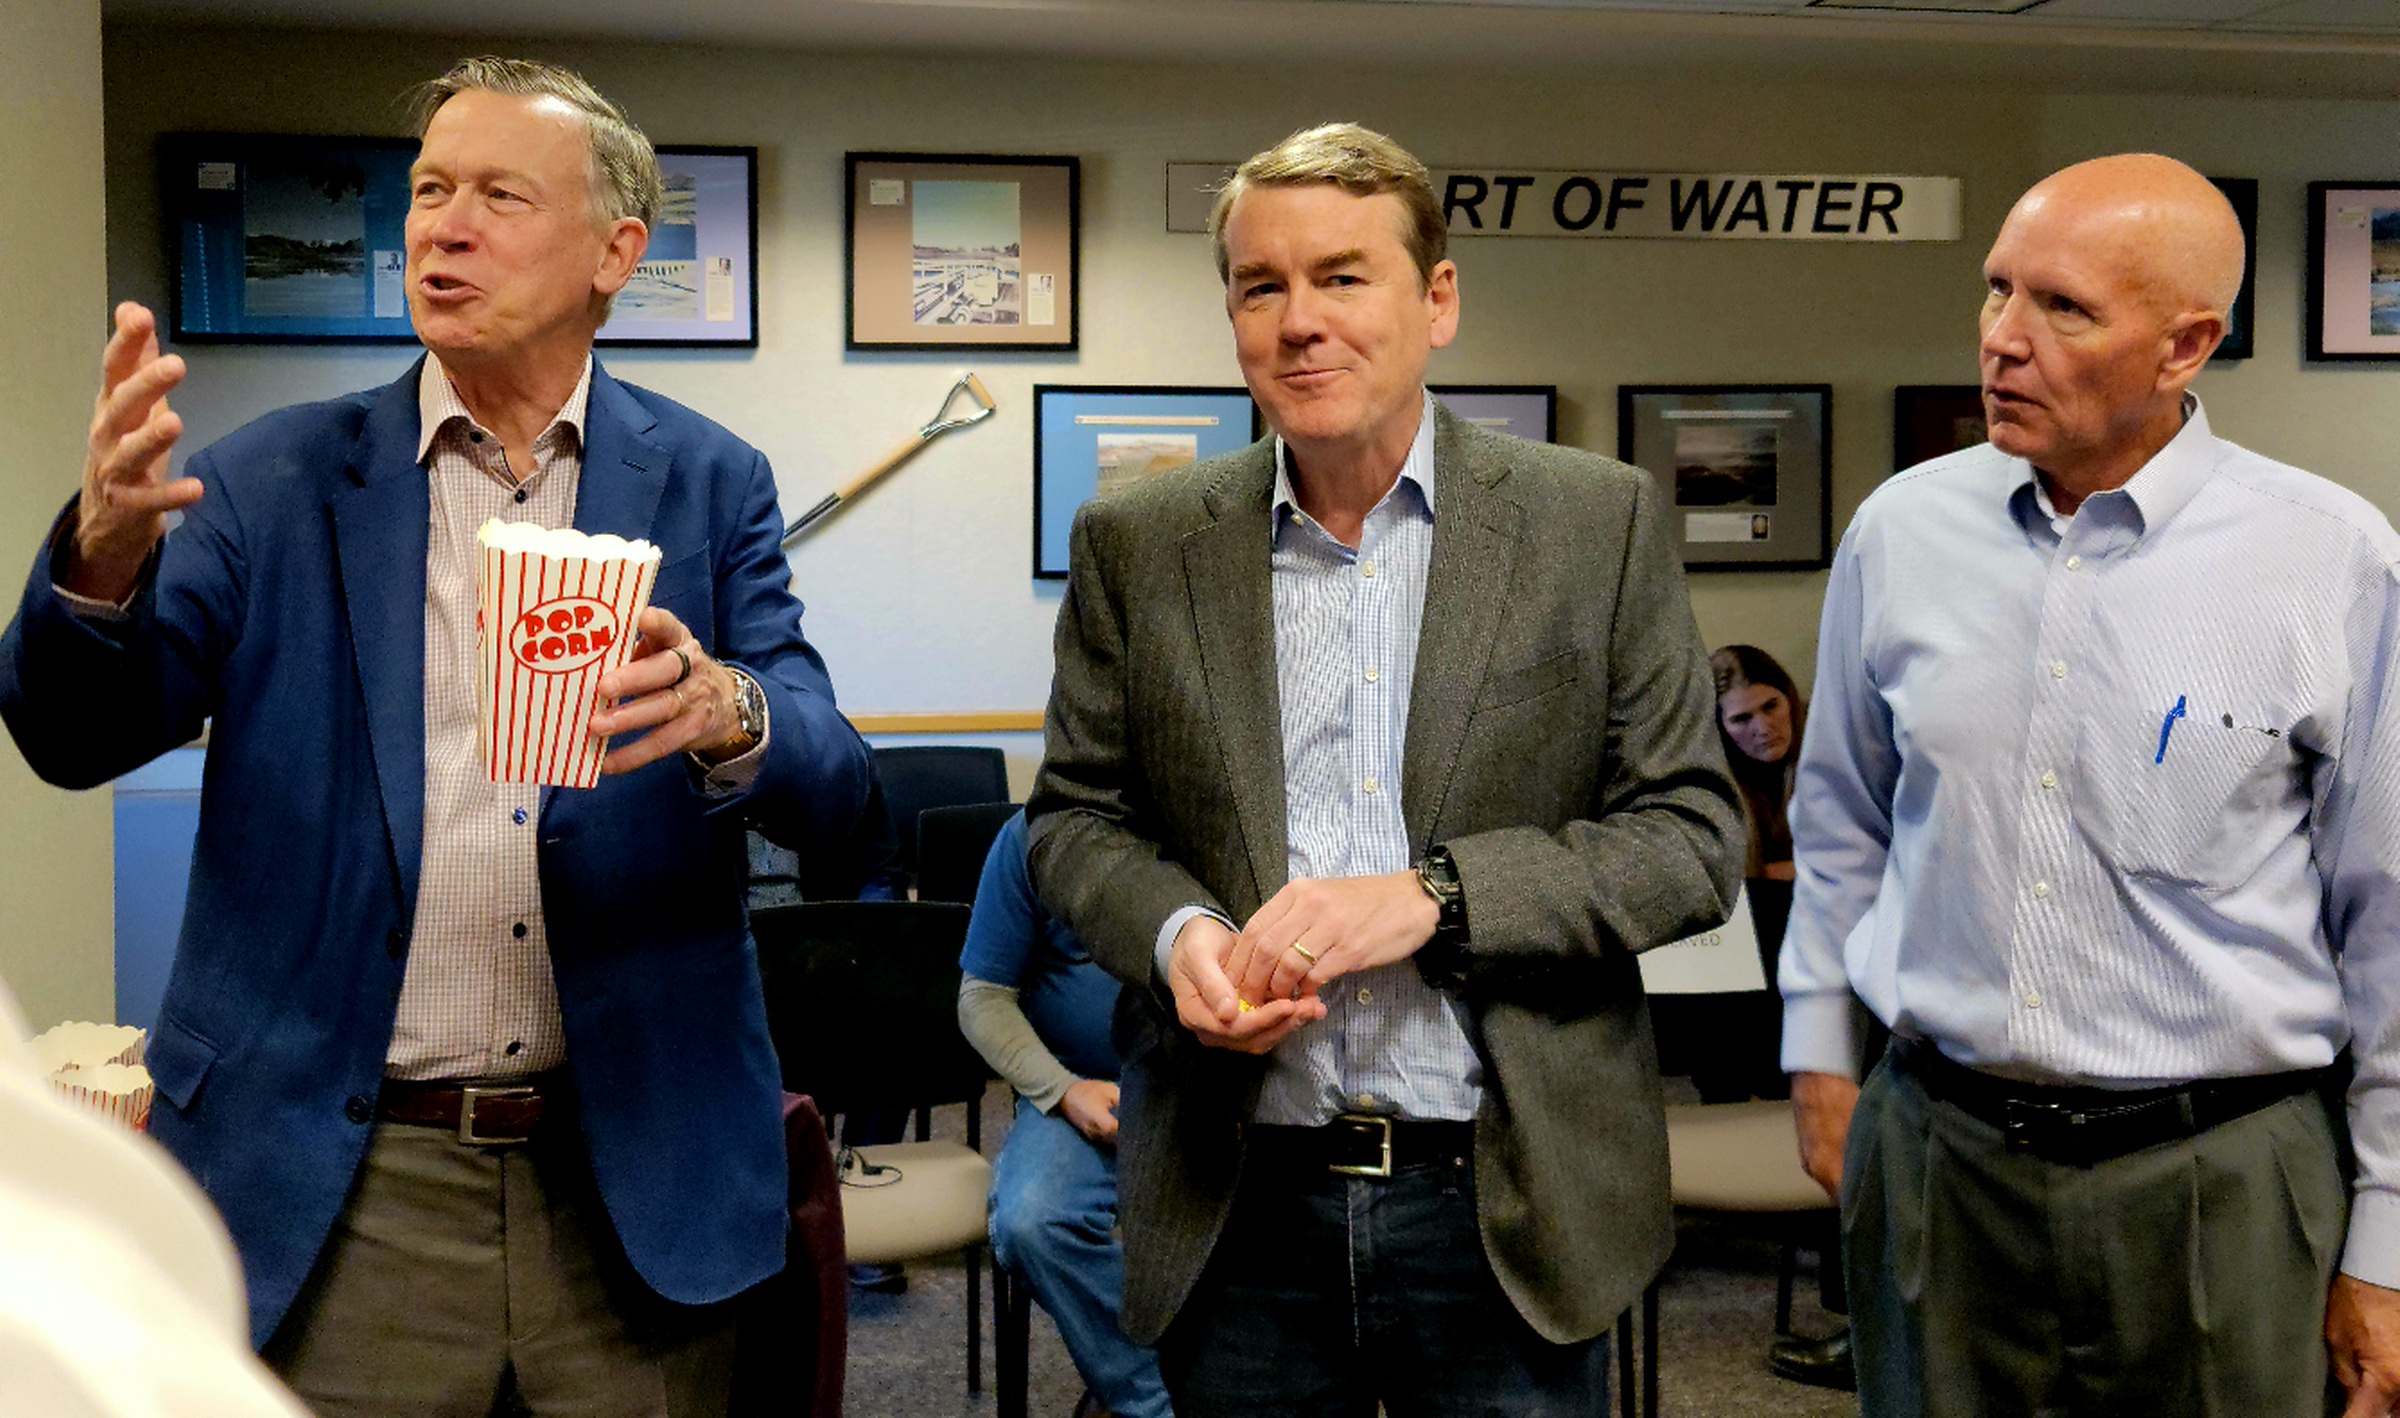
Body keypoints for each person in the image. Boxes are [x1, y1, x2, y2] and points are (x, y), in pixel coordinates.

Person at [0, 57, 871, 1415]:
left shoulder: (712, 480)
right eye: (427, 191)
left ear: (614, 253)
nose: (441, 229)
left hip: (631, 1182)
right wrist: (100, 563)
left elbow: (840, 792)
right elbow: (72, 733)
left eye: (498, 196)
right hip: (340, 1184)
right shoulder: (268, 477)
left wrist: (730, 711)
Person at [1026, 121, 1741, 1416]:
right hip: (1238, 1194)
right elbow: (1076, 821)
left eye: (1343, 276)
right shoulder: (1139, 543)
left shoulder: (1593, 522)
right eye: (1262, 285)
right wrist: (1180, 935)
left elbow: (1691, 835)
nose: (1300, 320)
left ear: (1438, 299)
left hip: (1506, 1200)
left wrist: (1436, 896)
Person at [1780, 152, 2400, 1416]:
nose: (2002, 338)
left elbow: (2390, 919)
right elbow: (1841, 815)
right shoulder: (1902, 530)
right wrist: (1819, 1055)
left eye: (2063, 307)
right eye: (1997, 288)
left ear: (2186, 346)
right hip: (1940, 1152)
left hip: (2220, 1174)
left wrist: (2387, 1239)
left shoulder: (2329, 559)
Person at [958, 809, 1172, 1418]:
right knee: (1032, 1221)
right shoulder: (1031, 836)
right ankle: (1153, 1396)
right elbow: (982, 999)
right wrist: (1063, 1091)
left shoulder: (1215, 821)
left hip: (1207, 1097)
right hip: (1076, 1091)